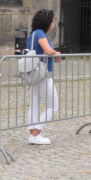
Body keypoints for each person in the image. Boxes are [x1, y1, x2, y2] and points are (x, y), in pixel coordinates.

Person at [25, 9, 61, 145]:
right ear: (47, 22)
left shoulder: (33, 34)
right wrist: (56, 53)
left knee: (35, 103)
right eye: (52, 21)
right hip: (43, 74)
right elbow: (48, 50)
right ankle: (36, 134)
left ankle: (33, 133)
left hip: (34, 73)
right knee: (53, 105)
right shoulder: (40, 33)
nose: (53, 24)